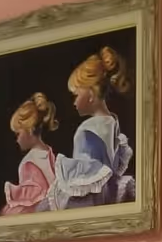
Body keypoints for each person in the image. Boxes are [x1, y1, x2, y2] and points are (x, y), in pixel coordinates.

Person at [47, 45, 135, 211]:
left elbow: (83, 182)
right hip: (108, 198)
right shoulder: (112, 122)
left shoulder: (87, 130)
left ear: (91, 94)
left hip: (92, 201)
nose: (73, 102)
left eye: (76, 95)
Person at [0, 93, 58, 215]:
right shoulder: (49, 153)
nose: (17, 140)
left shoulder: (28, 163)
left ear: (30, 130)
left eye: (18, 134)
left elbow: (30, 202)